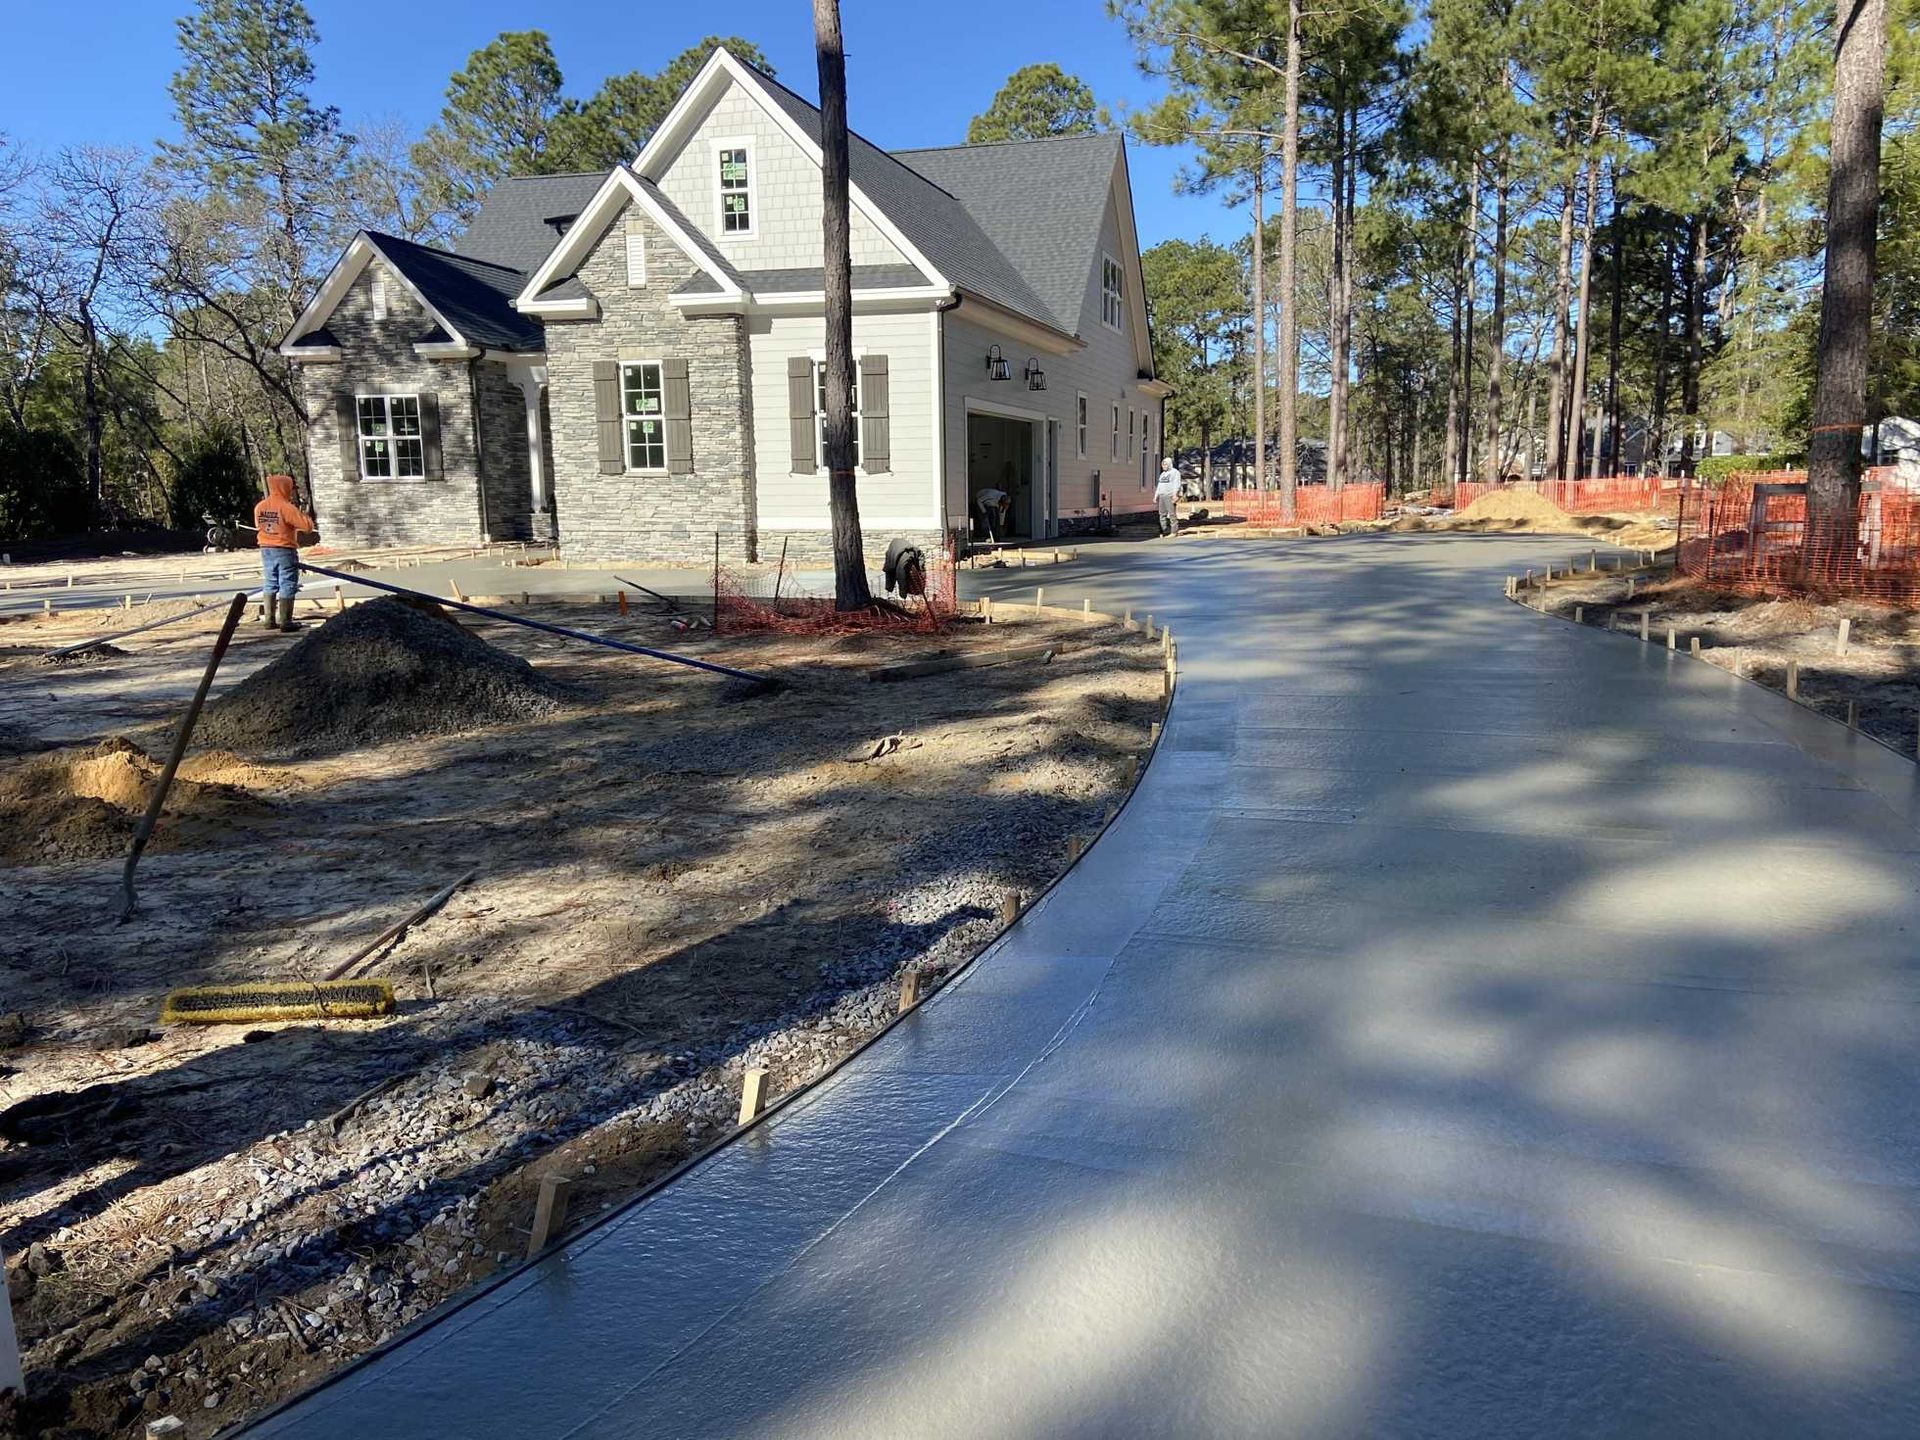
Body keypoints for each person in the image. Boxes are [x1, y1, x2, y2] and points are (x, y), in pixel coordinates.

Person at [254, 473, 317, 633]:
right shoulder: (286, 507)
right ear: (284, 487)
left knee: (270, 582)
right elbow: (307, 527)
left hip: (265, 549)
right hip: (284, 549)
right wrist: (307, 517)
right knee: (287, 582)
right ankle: (286, 621)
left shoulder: (260, 507)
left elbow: (258, 525)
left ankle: (269, 620)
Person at [1154, 456, 1182, 537]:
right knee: (1162, 514)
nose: (1164, 466)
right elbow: (1159, 485)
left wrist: (1175, 494)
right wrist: (1156, 496)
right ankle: (1164, 530)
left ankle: (1174, 532)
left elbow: (1177, 484)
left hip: (1170, 495)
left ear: (1169, 464)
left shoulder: (1175, 472)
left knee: (1172, 514)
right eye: (1163, 465)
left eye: (1165, 464)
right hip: (1162, 496)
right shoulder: (1162, 474)